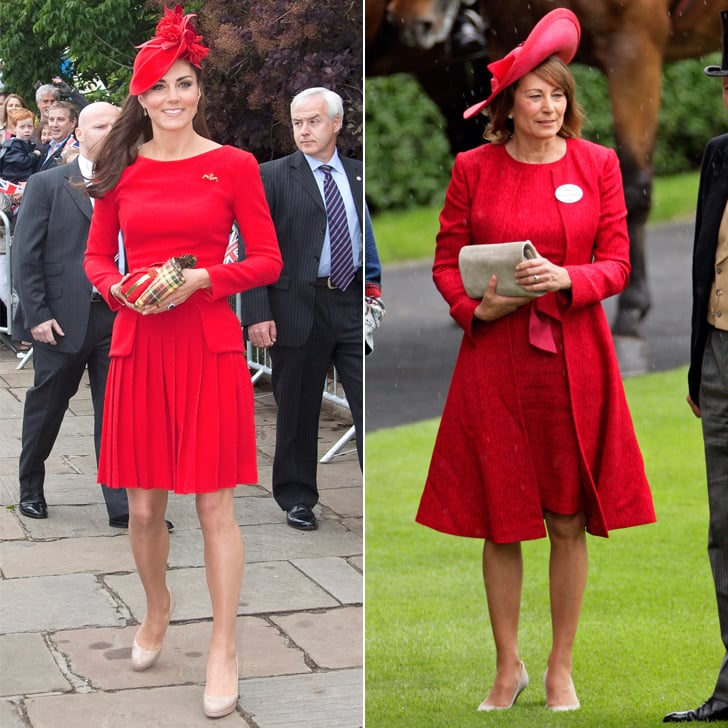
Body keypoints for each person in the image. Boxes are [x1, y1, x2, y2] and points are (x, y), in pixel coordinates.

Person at [415, 8, 656, 712]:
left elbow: (616, 262)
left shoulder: (599, 163)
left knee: (567, 518)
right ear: (508, 106)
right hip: (494, 356)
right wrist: (472, 309)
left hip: (574, 356)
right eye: (535, 95)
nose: (549, 107)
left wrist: (569, 281)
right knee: (501, 519)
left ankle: (560, 668)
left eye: (559, 96)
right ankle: (506, 665)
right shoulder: (472, 169)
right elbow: (444, 262)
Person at [83, 6, 282, 719]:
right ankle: (158, 607)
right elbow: (97, 256)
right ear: (141, 98)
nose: (173, 96)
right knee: (141, 511)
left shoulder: (233, 165)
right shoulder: (121, 170)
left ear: (200, 91)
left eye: (185, 83)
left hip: (207, 347)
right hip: (138, 346)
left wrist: (205, 279)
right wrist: (117, 288)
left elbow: (266, 258)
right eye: (160, 86)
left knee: (215, 507)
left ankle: (223, 646)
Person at [240, 86, 363, 532]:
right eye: (297, 122)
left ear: (336, 124)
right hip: (294, 304)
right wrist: (256, 312)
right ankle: (296, 498)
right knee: (296, 409)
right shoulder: (271, 175)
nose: (304, 130)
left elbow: (364, 236)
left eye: (313, 121)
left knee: (369, 404)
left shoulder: (357, 175)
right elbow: (253, 246)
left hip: (349, 303)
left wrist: (374, 289)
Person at [11, 101, 133, 529]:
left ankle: (122, 505)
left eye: (117, 125)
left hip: (121, 318)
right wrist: (37, 315)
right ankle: (30, 486)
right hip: (61, 319)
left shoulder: (135, 182)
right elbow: (25, 254)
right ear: (79, 133)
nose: (110, 131)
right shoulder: (49, 183)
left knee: (117, 414)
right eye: (100, 125)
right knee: (47, 408)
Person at [663, 9, 728, 724]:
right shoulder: (719, 154)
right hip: (719, 354)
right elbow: (701, 261)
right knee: (724, 526)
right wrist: (697, 369)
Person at [0, 108, 41, 184]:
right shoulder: (12, 145)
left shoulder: (29, 143)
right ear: (14, 128)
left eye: (30, 126)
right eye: (22, 127)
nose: (26, 130)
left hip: (22, 182)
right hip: (12, 183)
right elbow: (22, 162)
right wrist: (35, 155)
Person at [37, 101, 78, 171]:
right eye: (51, 119)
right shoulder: (45, 147)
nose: (54, 124)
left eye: (60, 119)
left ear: (73, 122)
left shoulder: (75, 151)